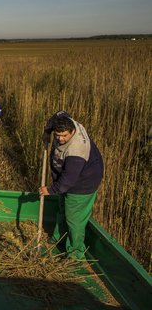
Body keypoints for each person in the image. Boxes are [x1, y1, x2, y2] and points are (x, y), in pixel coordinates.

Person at [39, 111, 104, 260]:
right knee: (62, 209)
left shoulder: (77, 151)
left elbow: (69, 180)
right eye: (57, 135)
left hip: (83, 183)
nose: (60, 139)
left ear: (73, 131)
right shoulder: (66, 120)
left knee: (74, 219)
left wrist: (50, 189)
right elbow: (58, 113)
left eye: (64, 136)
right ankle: (59, 238)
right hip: (64, 180)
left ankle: (75, 253)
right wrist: (47, 131)